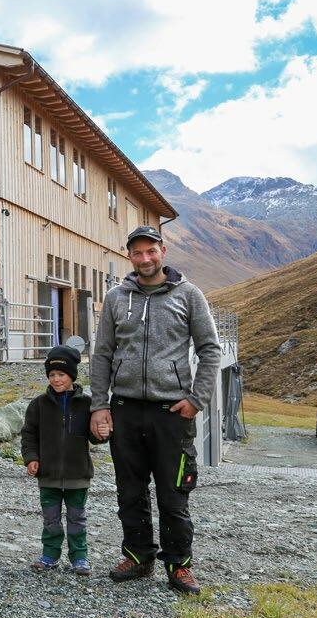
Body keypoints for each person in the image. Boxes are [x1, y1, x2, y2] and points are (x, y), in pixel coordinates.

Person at [89, 225, 221, 595]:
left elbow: (210, 349)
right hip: (125, 410)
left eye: (151, 251)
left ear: (163, 250)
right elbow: (102, 354)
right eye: (137, 253)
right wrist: (99, 405)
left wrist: (197, 399)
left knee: (173, 495)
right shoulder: (116, 298)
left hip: (171, 413)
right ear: (128, 256)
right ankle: (138, 556)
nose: (145, 259)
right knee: (129, 491)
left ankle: (179, 565)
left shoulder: (189, 295)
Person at [20, 345, 105, 575]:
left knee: (77, 518)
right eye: (52, 375)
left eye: (61, 375)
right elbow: (28, 435)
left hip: (78, 475)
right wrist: (31, 458)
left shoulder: (87, 405)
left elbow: (96, 438)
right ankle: (50, 555)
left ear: (72, 376)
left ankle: (80, 557)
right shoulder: (38, 405)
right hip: (48, 476)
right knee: (51, 520)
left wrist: (102, 433)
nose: (56, 379)